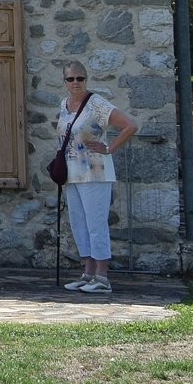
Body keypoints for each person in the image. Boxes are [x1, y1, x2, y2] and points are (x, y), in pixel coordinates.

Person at [58, 61, 138, 293]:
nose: (75, 83)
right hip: (72, 174)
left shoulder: (97, 104)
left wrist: (110, 148)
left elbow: (130, 126)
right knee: (79, 224)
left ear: (86, 79)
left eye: (80, 78)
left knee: (95, 223)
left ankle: (102, 277)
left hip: (95, 173)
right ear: (64, 82)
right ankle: (88, 272)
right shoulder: (64, 105)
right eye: (71, 79)